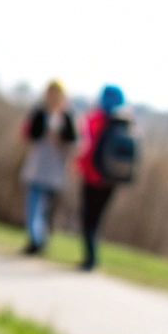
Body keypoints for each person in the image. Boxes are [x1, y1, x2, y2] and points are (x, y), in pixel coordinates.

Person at [76, 84, 132, 271]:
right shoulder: (127, 123)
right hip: (112, 180)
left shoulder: (96, 119)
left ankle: (90, 258)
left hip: (93, 176)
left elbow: (86, 146)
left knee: (88, 218)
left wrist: (79, 165)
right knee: (97, 219)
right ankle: (93, 256)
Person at [18, 80, 76, 255]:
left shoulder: (67, 117)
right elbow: (29, 134)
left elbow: (73, 140)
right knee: (33, 206)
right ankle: (35, 239)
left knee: (46, 211)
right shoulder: (39, 112)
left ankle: (41, 241)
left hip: (55, 172)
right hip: (37, 167)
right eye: (51, 93)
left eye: (57, 94)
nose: (53, 97)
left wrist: (60, 137)